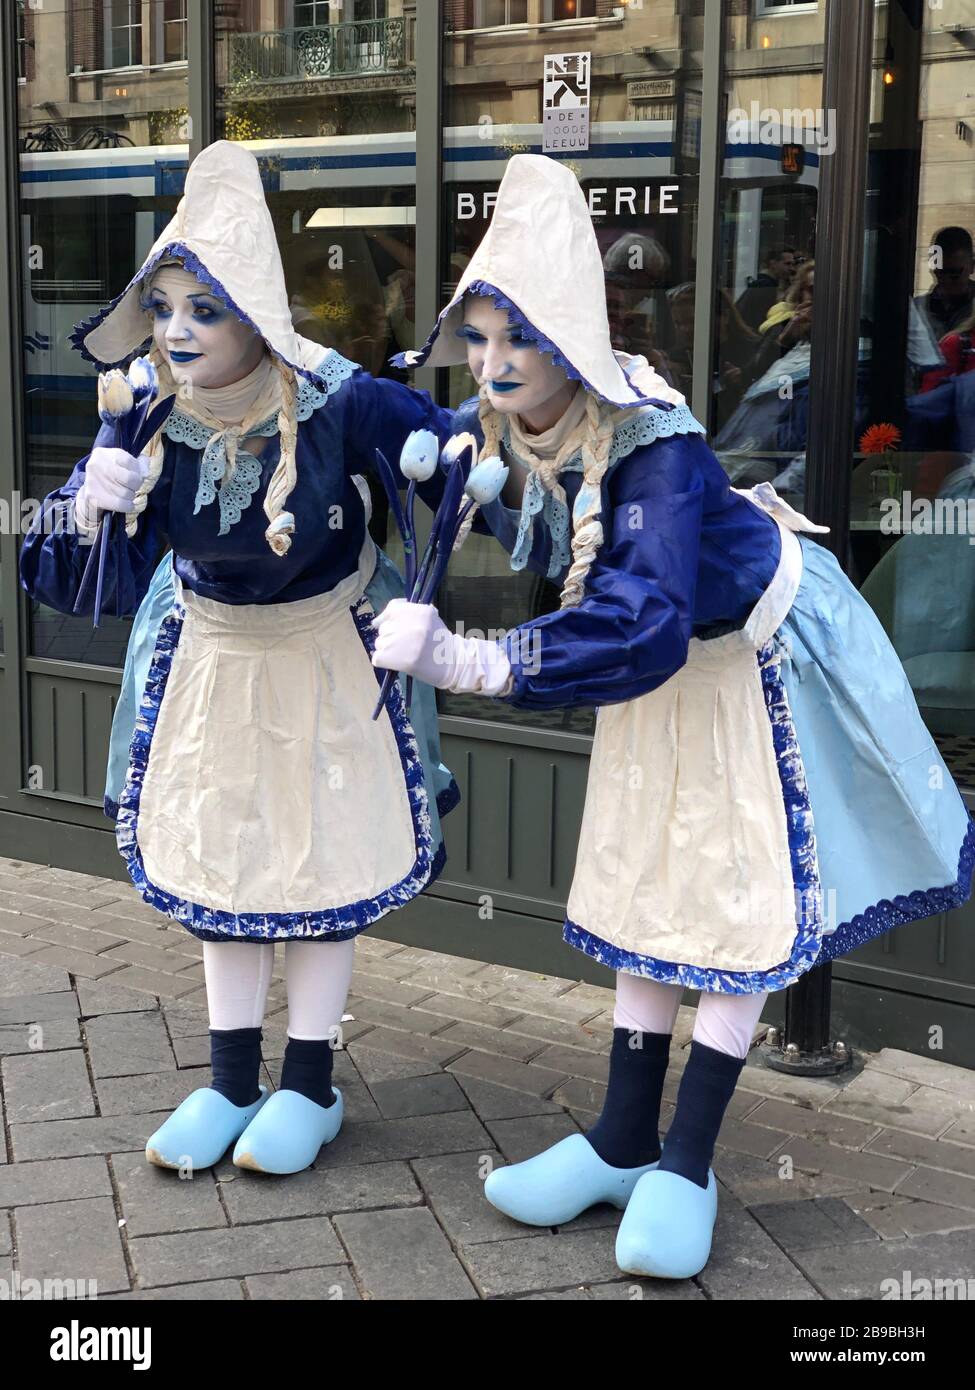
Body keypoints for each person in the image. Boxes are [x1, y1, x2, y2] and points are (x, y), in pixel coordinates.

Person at [369, 154, 975, 1280]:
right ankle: (620, 1135)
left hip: (746, 670)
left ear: (572, 340)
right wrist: (449, 474)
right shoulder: (528, 419)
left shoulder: (656, 448)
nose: (495, 366)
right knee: (642, 877)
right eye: (482, 339)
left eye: (520, 339)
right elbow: (545, 531)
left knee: (730, 902)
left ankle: (684, 1160)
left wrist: (467, 658)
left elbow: (640, 622)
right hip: (661, 686)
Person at [19, 140, 461, 1178]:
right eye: (164, 305)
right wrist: (92, 501)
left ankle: (309, 1083)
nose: (175, 329)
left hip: (324, 662)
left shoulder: (339, 397)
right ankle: (228, 1079)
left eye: (202, 308)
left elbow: (455, 448)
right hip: (207, 663)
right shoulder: (144, 411)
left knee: (320, 862)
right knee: (223, 858)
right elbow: (87, 573)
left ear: (255, 315)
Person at [914, 226, 975, 341]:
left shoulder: (918, 310)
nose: (946, 280)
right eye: (940, 272)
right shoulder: (917, 310)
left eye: (954, 273)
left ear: (972, 266)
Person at [735, 245, 798, 334]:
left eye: (792, 264)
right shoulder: (766, 286)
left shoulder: (763, 284)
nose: (792, 268)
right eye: (787, 264)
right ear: (773, 264)